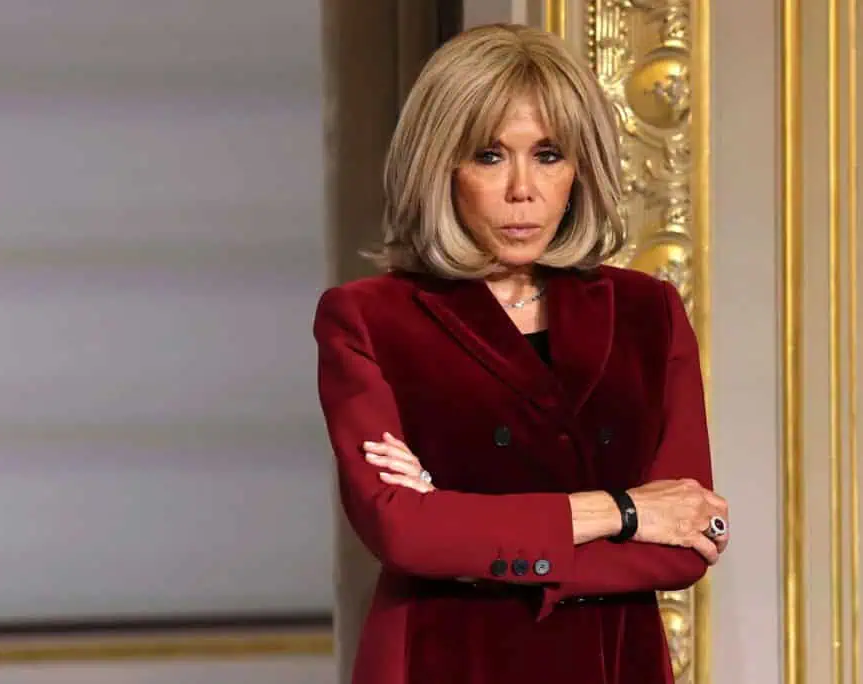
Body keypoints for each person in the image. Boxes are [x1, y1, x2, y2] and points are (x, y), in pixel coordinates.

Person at [312, 23, 729, 684]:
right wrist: (626, 512)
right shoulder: (368, 318)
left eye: (548, 154)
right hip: (444, 661)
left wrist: (463, 530)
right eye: (489, 156)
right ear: (439, 166)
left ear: (580, 167)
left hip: (614, 662)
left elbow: (691, 539)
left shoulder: (648, 311)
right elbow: (402, 534)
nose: (522, 190)